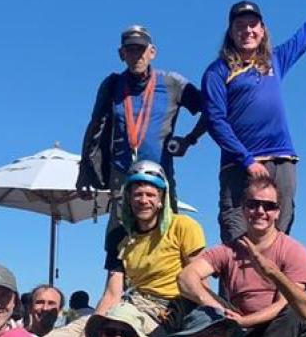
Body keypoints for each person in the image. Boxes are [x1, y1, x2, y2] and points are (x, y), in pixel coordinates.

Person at [202, 0, 306, 241]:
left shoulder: (275, 60)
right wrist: (246, 160)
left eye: (252, 25)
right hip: (239, 166)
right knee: (238, 240)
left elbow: (305, 36)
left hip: (282, 161)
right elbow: (215, 121)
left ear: (262, 29)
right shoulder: (218, 71)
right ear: (231, 32)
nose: (247, 30)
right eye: (240, 26)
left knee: (279, 239)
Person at [177, 174, 306, 337]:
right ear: (243, 209)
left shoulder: (294, 250)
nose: (260, 211)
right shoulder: (228, 249)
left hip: (276, 330)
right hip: (237, 329)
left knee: (294, 310)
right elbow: (186, 278)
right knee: (188, 295)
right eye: (253, 204)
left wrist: (246, 321)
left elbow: (287, 303)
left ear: (277, 212)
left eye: (268, 206)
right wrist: (216, 307)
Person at [78, 23, 209, 214]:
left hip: (160, 174)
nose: (136, 55)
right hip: (122, 176)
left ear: (152, 52)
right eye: (130, 50)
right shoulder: (112, 85)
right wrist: (84, 170)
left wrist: (189, 140)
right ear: (121, 54)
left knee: (166, 238)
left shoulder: (172, 83)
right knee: (121, 239)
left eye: (141, 49)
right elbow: (94, 127)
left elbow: (211, 110)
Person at [96, 162, 206, 328]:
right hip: (130, 304)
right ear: (129, 199)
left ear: (161, 198)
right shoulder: (119, 236)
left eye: (150, 195)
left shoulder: (183, 226)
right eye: (137, 194)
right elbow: (112, 293)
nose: (143, 200)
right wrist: (93, 326)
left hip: (168, 310)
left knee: (117, 329)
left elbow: (201, 282)